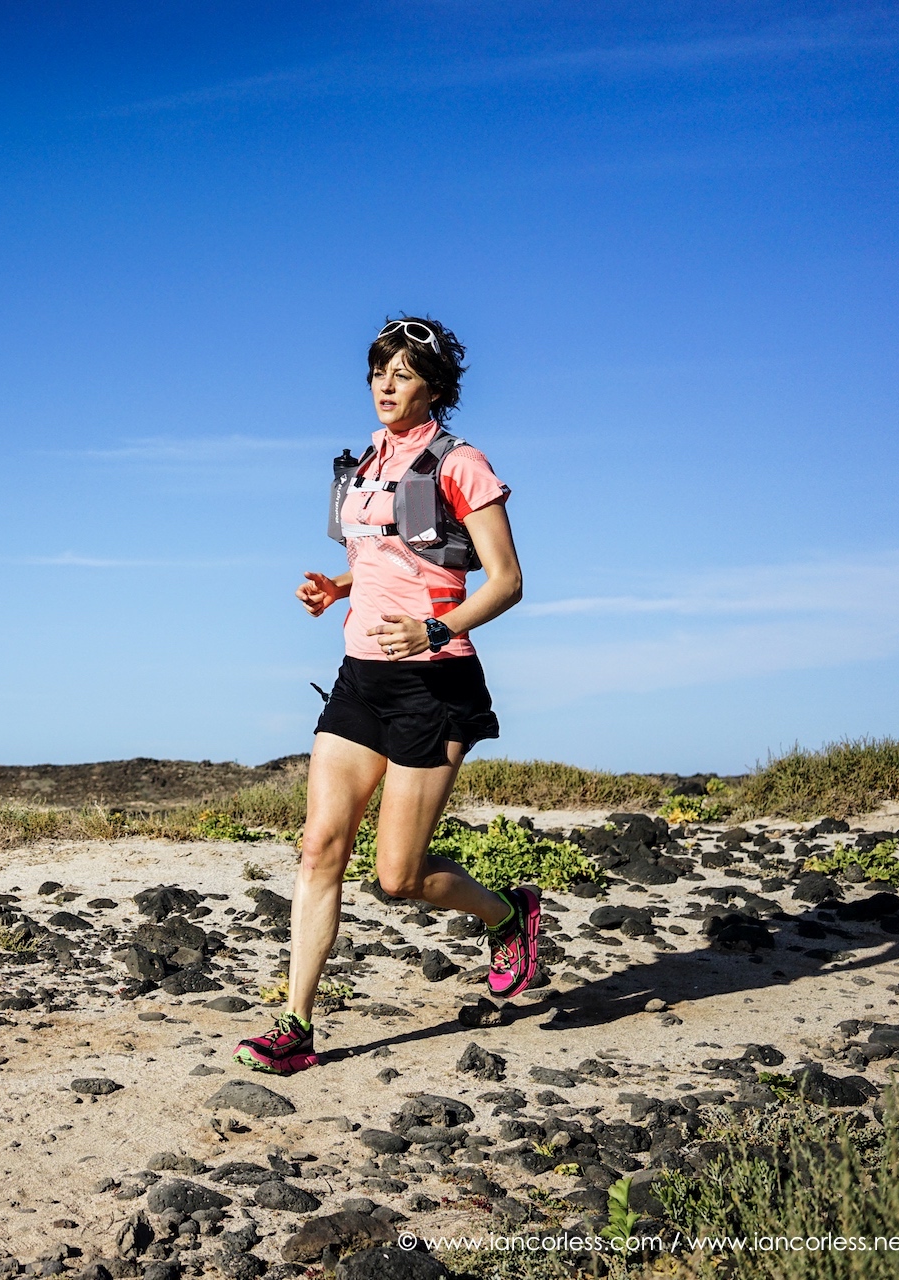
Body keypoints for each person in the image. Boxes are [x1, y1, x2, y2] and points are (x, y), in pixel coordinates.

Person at [234, 316, 538, 1076]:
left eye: (403, 374)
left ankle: (508, 914)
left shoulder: (463, 464)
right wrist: (336, 587)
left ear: (434, 388)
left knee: (398, 877)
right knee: (319, 849)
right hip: (360, 679)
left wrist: (435, 630)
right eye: (379, 372)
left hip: (435, 684)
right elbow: (388, 557)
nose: (386, 386)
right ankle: (295, 1026)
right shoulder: (366, 462)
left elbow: (506, 581)